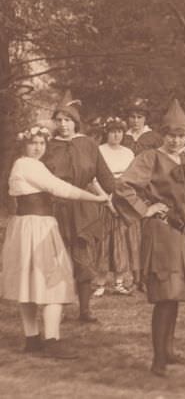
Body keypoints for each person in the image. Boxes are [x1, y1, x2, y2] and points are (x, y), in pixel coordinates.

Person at [114, 99, 185, 377]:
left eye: (181, 136)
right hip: (163, 234)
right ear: (162, 135)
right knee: (166, 295)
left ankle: (168, 350)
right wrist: (147, 209)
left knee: (175, 295)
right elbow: (123, 186)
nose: (176, 141)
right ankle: (158, 360)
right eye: (171, 135)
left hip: (182, 237)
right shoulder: (149, 158)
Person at [1, 125, 111, 359]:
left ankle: (32, 339)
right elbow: (59, 188)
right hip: (36, 227)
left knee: (29, 285)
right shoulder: (26, 164)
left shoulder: (31, 165)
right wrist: (96, 198)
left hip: (29, 226)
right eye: (33, 143)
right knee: (56, 280)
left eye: (42, 143)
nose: (38, 147)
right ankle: (51, 340)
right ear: (24, 145)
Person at [41, 91, 115, 323]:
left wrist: (119, 195)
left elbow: (105, 177)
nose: (63, 125)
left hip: (84, 210)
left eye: (68, 120)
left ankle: (85, 310)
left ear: (76, 123)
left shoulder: (89, 145)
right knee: (57, 259)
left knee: (83, 259)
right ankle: (57, 309)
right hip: (55, 209)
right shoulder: (47, 146)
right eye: (59, 120)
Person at [98, 116, 138, 295]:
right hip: (102, 196)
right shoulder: (99, 151)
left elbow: (132, 177)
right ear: (106, 133)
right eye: (113, 131)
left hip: (122, 198)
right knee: (103, 241)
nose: (116, 135)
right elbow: (94, 176)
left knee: (121, 239)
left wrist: (122, 197)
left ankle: (119, 281)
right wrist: (106, 197)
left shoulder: (128, 153)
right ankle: (99, 282)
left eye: (120, 132)